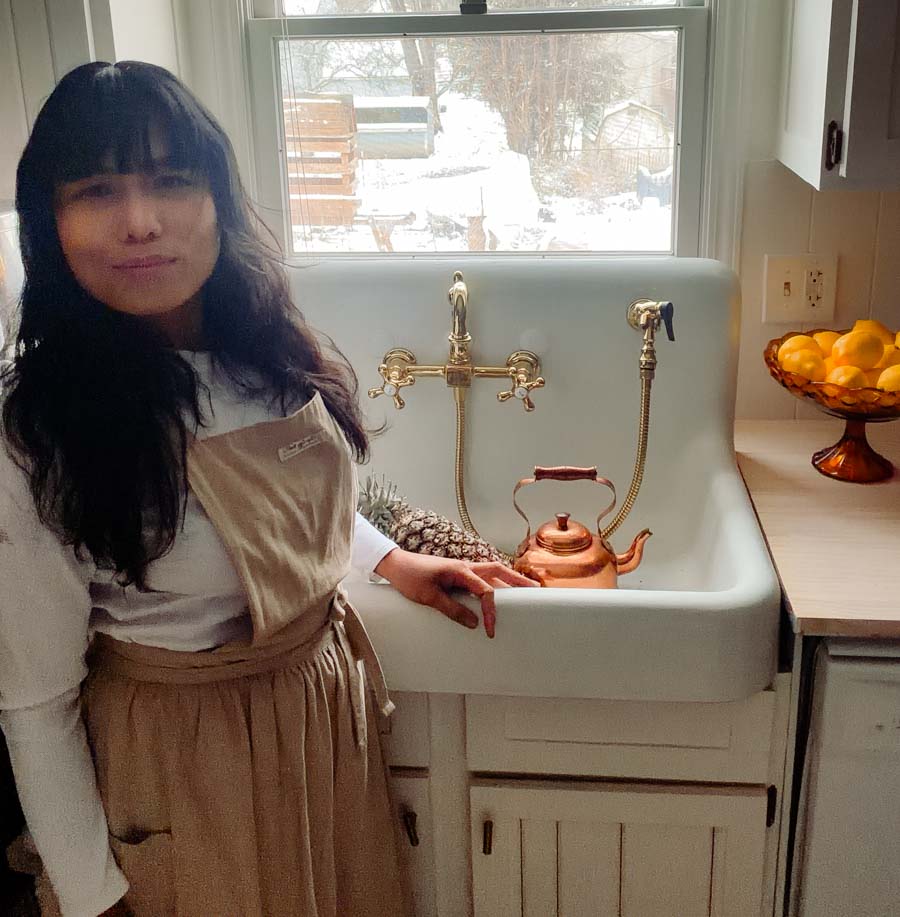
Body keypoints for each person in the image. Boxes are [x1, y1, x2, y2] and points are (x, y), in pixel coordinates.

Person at [0, 61, 535, 917]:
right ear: (49, 221)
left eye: (171, 180)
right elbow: (36, 702)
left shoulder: (260, 348)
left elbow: (287, 491)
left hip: (316, 723)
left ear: (216, 197)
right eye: (97, 190)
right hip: (179, 762)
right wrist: (95, 900)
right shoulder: (37, 430)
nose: (140, 221)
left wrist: (390, 560)